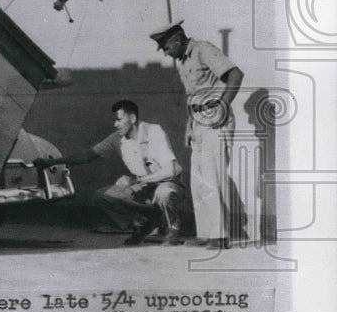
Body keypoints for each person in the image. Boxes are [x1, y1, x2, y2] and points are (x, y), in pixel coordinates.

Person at [34, 99, 184, 246]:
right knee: (103, 196)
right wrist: (52, 162)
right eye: (114, 120)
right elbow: (88, 155)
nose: (115, 124)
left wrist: (135, 180)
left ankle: (173, 229)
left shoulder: (154, 131)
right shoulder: (116, 139)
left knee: (165, 194)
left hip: (168, 183)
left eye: (118, 120)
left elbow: (171, 170)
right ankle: (142, 225)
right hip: (143, 187)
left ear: (132, 118)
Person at [150, 20, 244, 250]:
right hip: (198, 122)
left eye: (166, 47)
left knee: (214, 178)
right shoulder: (184, 62)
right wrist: (189, 125)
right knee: (199, 182)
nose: (165, 52)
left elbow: (236, 75)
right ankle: (206, 234)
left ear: (177, 39)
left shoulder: (203, 49)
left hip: (215, 119)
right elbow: (193, 96)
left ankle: (219, 236)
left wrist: (223, 105)